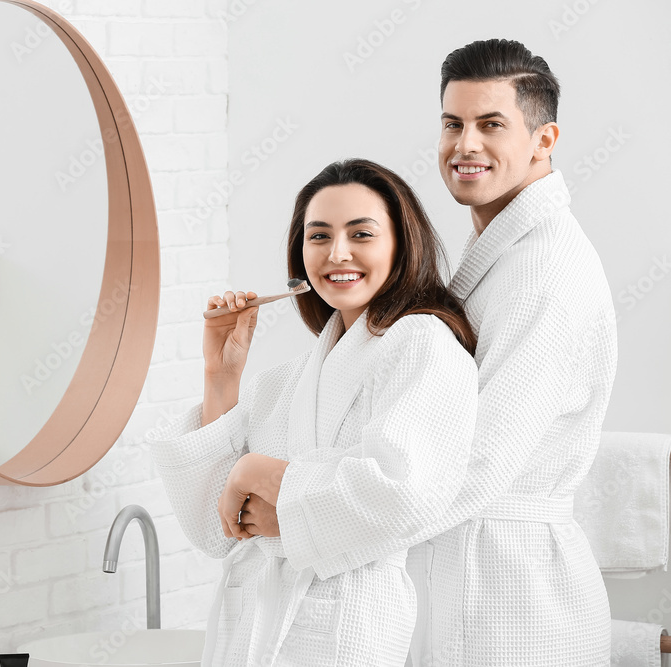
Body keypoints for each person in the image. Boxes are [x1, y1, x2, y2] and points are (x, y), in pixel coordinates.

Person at [146, 158, 479, 666]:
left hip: (346, 630)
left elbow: (403, 490)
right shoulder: (287, 380)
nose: (336, 253)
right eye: (318, 236)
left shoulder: (423, 343)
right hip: (248, 627)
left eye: (361, 233)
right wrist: (222, 377)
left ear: (400, 243)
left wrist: (262, 475)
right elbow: (215, 527)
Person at [384, 38, 616, 666]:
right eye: (453, 123)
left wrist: (327, 522)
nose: (465, 145)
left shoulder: (548, 270)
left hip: (515, 604)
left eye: (491, 124)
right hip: (474, 574)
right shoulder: (502, 257)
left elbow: (479, 459)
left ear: (545, 139)